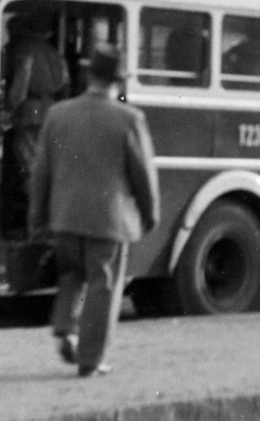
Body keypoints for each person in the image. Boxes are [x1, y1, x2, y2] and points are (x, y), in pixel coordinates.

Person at [30, 45, 159, 378]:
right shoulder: (130, 119)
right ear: (119, 82)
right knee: (103, 285)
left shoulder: (58, 113)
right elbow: (143, 174)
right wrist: (150, 214)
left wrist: (38, 219)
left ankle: (65, 326)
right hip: (108, 222)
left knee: (72, 275)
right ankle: (91, 358)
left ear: (89, 76)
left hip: (65, 218)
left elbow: (40, 172)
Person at [2, 12, 69, 231]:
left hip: (29, 114)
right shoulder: (53, 52)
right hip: (50, 112)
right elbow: (63, 82)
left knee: (29, 169)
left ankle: (37, 225)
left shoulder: (23, 49)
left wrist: (9, 110)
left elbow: (21, 85)